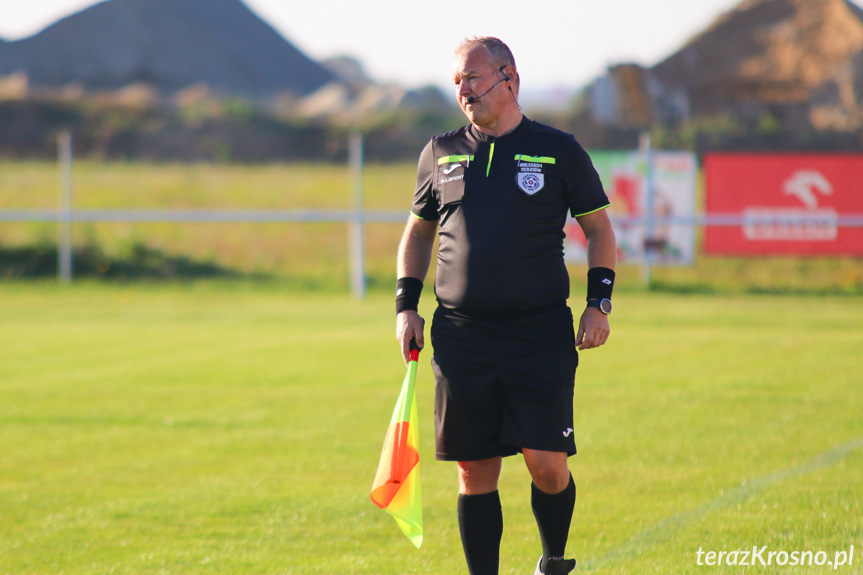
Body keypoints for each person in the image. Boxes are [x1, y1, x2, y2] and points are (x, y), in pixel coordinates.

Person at [394, 36, 616, 575]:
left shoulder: (559, 149)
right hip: (460, 336)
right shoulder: (440, 152)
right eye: (457, 83)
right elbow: (418, 234)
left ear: (508, 76)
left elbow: (600, 230)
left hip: (538, 334)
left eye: (472, 78)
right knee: (474, 471)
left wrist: (598, 305)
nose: (463, 91)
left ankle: (553, 560)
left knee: (547, 464)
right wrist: (406, 307)